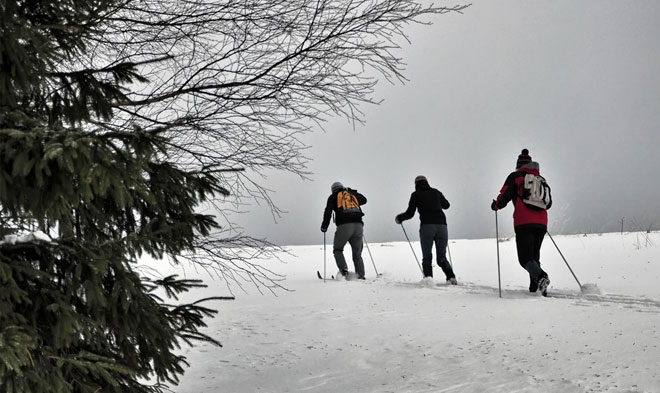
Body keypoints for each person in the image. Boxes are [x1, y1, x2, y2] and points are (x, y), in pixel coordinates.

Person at [491, 149, 552, 296]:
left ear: (518, 165)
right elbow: (548, 203)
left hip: (524, 222)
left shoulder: (516, 176)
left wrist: (496, 205)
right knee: (534, 256)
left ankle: (541, 277)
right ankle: (536, 288)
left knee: (525, 258)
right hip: (542, 223)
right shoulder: (540, 179)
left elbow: (505, 194)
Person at [395, 176, 457, 284]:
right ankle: (451, 278)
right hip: (442, 226)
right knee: (441, 256)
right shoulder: (436, 192)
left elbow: (410, 213)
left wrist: (400, 218)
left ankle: (429, 281)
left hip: (427, 226)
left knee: (427, 256)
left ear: (416, 184)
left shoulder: (416, 195)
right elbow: (446, 205)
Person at [321, 182, 367, 279]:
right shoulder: (351, 195)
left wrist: (324, 226)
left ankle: (344, 271)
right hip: (358, 225)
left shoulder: (333, 197)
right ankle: (360, 275)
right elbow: (364, 200)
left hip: (344, 226)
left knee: (338, 249)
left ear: (333, 190)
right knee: (357, 253)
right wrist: (352, 191)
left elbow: (328, 212)